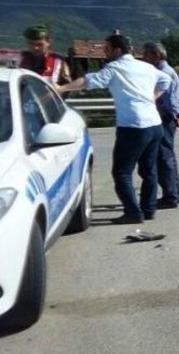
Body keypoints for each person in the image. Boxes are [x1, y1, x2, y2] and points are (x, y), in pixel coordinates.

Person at [58, 34, 171, 225]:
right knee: (149, 170)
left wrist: (60, 89)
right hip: (154, 124)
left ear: (117, 50)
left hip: (133, 126)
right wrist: (153, 97)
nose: (104, 52)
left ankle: (133, 213)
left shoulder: (115, 68)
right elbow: (166, 80)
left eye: (107, 49)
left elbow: (87, 81)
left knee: (122, 172)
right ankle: (148, 209)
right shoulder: (145, 67)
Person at [141, 42, 179, 209]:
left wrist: (176, 115)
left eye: (146, 54)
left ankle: (170, 197)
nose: (144, 57)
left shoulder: (163, 73)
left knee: (163, 157)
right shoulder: (165, 70)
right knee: (168, 156)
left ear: (156, 55)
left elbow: (169, 100)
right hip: (168, 117)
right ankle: (175, 193)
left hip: (165, 118)